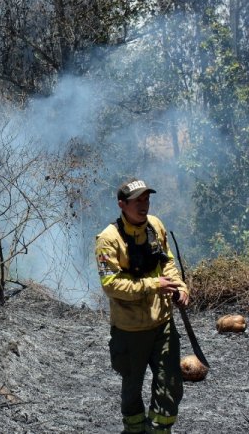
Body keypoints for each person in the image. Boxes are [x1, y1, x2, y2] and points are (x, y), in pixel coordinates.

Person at [95, 178, 188, 434]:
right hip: (130, 330)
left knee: (169, 385)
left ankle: (160, 430)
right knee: (132, 386)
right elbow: (111, 285)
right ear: (122, 204)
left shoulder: (156, 225)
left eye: (147, 199)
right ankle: (134, 429)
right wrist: (152, 285)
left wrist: (179, 286)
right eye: (138, 201)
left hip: (163, 324)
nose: (144, 205)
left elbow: (166, 261)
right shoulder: (108, 239)